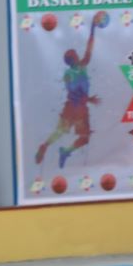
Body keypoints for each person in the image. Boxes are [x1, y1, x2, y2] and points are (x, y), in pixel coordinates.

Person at [35, 10, 105, 169]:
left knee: (63, 132)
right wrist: (89, 99)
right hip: (77, 108)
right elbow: (75, 93)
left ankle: (54, 148)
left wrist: (93, 27)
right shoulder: (74, 72)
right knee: (82, 137)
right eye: (75, 54)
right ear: (73, 59)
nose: (78, 54)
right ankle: (61, 150)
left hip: (73, 107)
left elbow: (89, 46)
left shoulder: (80, 67)